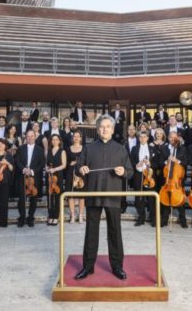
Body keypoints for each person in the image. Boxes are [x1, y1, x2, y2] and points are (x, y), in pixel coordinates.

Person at [75, 115, 133, 281]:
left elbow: (130, 171)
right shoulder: (89, 148)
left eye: (108, 126)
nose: (105, 129)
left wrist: (124, 172)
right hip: (93, 194)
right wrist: (82, 169)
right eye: (101, 126)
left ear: (113, 130)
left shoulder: (121, 149)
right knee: (91, 232)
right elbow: (78, 168)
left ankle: (117, 266)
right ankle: (87, 266)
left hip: (114, 196)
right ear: (97, 129)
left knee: (115, 232)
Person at [16, 129, 45, 227]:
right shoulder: (21, 148)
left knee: (33, 199)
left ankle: (30, 218)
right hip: (22, 176)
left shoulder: (40, 149)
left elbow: (42, 164)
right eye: (28, 136)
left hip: (35, 177)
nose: (30, 138)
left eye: (32, 136)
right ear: (26, 137)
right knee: (21, 199)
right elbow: (17, 161)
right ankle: (22, 218)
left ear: (35, 136)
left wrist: (32, 171)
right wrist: (23, 169)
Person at [160, 131, 188, 228]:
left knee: (180, 200)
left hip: (178, 179)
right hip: (168, 179)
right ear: (168, 138)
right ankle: (164, 220)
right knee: (166, 199)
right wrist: (166, 161)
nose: (173, 139)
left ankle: (183, 220)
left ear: (177, 138)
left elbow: (185, 162)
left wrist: (177, 161)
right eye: (171, 138)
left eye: (174, 138)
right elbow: (160, 162)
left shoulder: (183, 149)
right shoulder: (164, 148)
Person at [130, 130, 157, 227]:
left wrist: (150, 163)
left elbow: (157, 162)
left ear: (148, 138)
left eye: (144, 137)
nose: (142, 139)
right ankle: (141, 218)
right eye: (140, 137)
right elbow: (130, 162)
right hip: (138, 175)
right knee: (139, 197)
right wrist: (137, 164)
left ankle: (153, 219)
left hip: (149, 176)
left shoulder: (152, 148)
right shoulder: (134, 148)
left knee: (151, 198)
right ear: (138, 138)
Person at [46, 133, 67, 226]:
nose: (54, 141)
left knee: (57, 196)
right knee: (50, 196)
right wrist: (47, 168)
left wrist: (54, 169)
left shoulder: (62, 151)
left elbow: (64, 165)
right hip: (50, 176)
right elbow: (46, 164)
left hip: (58, 175)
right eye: (53, 139)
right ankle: (50, 215)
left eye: (56, 139)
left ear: (59, 141)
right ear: (51, 141)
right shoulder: (48, 151)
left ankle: (56, 216)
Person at [66, 131, 87, 224]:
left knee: (81, 196)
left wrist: (78, 163)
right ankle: (72, 215)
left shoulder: (85, 148)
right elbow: (64, 162)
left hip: (81, 174)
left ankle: (81, 215)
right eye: (75, 136)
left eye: (78, 136)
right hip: (70, 173)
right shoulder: (68, 149)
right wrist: (69, 163)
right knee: (71, 195)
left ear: (81, 138)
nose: (76, 138)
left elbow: (87, 161)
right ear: (72, 138)